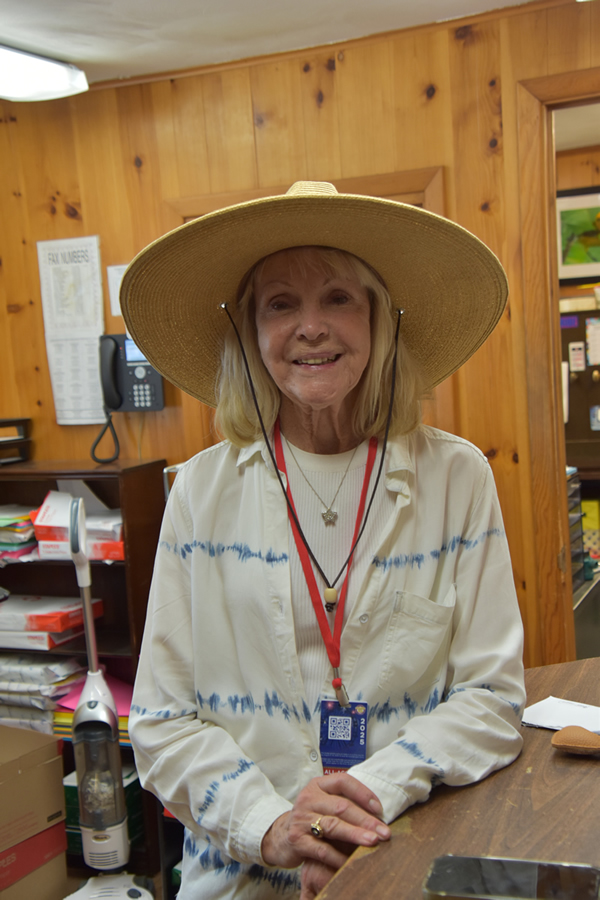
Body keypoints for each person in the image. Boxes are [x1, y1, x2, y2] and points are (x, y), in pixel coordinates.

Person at [123, 181, 525, 900]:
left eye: (338, 298)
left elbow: (491, 697)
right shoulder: (199, 494)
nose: (311, 327)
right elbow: (161, 722)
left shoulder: (457, 479)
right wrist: (274, 827)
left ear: (379, 319)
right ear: (250, 333)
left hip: (404, 862)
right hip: (239, 878)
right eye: (281, 304)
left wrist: (363, 804)